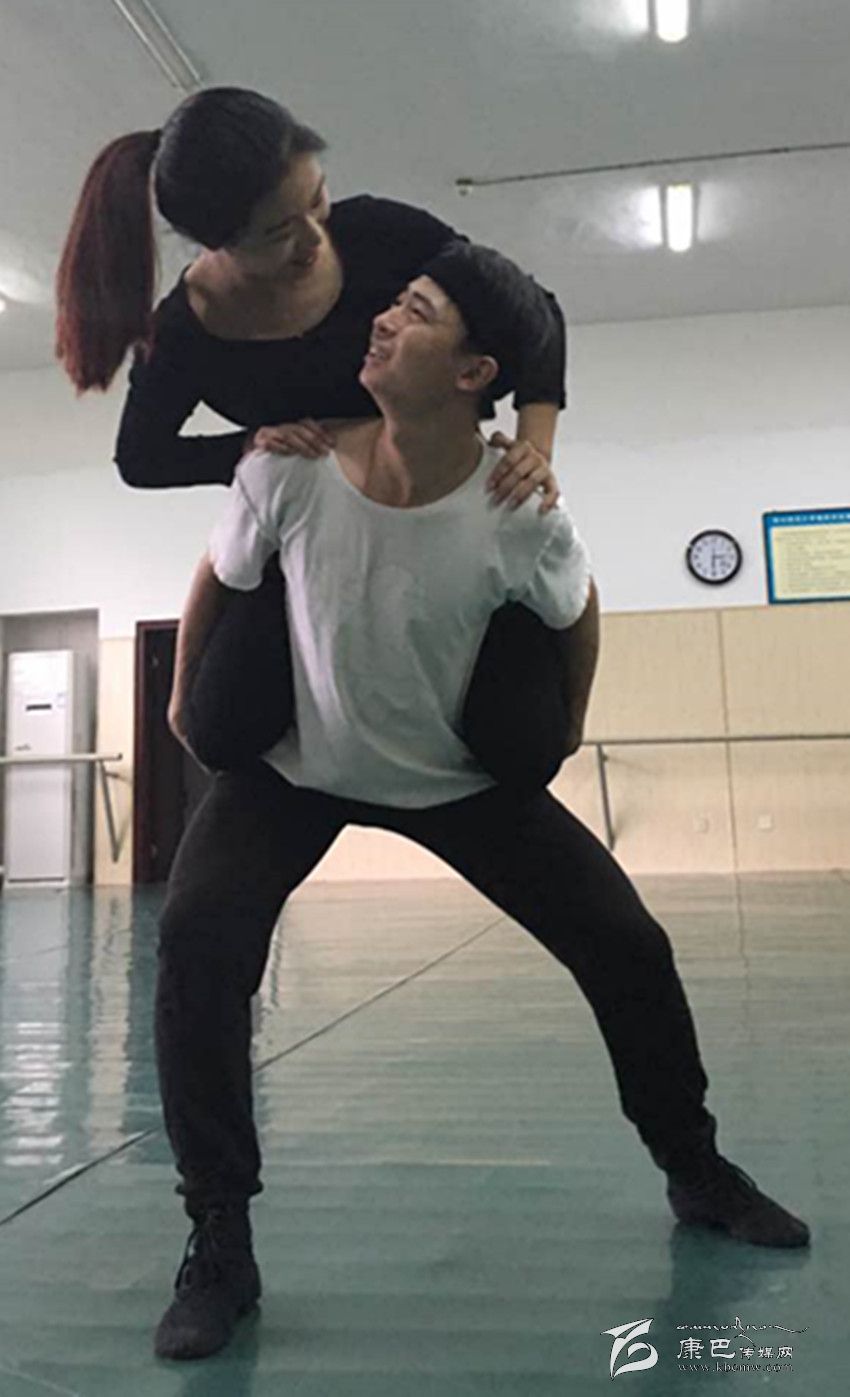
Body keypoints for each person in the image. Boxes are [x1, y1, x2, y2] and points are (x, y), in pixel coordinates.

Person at [154, 242, 809, 1363]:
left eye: (413, 314)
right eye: (391, 305)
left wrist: (566, 726)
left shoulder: (517, 508)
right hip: (294, 773)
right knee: (197, 941)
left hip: (456, 781)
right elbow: (219, 572)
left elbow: (576, 605)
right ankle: (219, 1236)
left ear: (473, 374)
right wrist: (181, 700)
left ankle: (695, 1167)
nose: (380, 322)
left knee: (627, 944)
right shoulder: (288, 471)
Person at [55, 85, 571, 785]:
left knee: (523, 742)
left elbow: (532, 311)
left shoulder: (385, 234)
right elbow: (141, 458)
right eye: (277, 233)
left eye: (317, 200)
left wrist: (535, 443)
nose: (311, 238)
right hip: (312, 539)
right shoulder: (182, 331)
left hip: (441, 513)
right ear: (219, 243)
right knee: (221, 728)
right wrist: (250, 443)